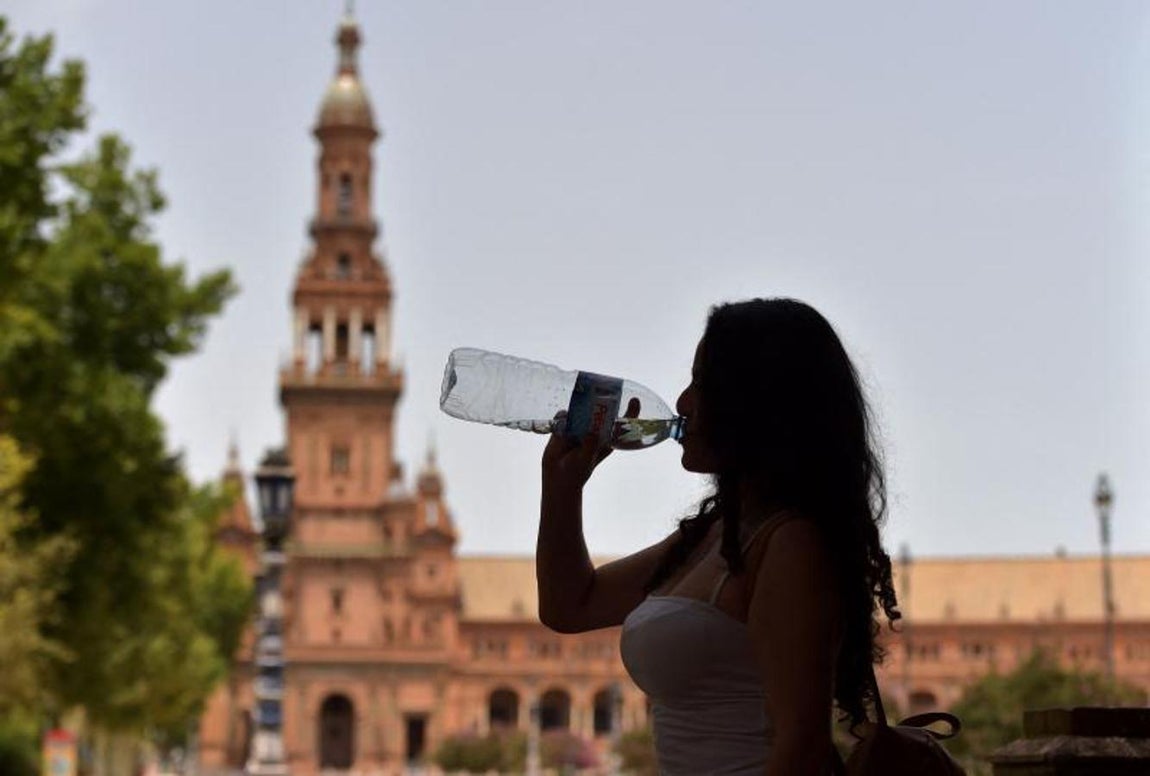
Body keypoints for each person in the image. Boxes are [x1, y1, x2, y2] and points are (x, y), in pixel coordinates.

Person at [536, 297, 900, 776]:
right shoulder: (715, 535)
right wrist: (561, 488)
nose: (683, 402)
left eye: (701, 384)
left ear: (757, 404)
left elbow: (801, 750)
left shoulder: (791, 542)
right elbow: (569, 606)